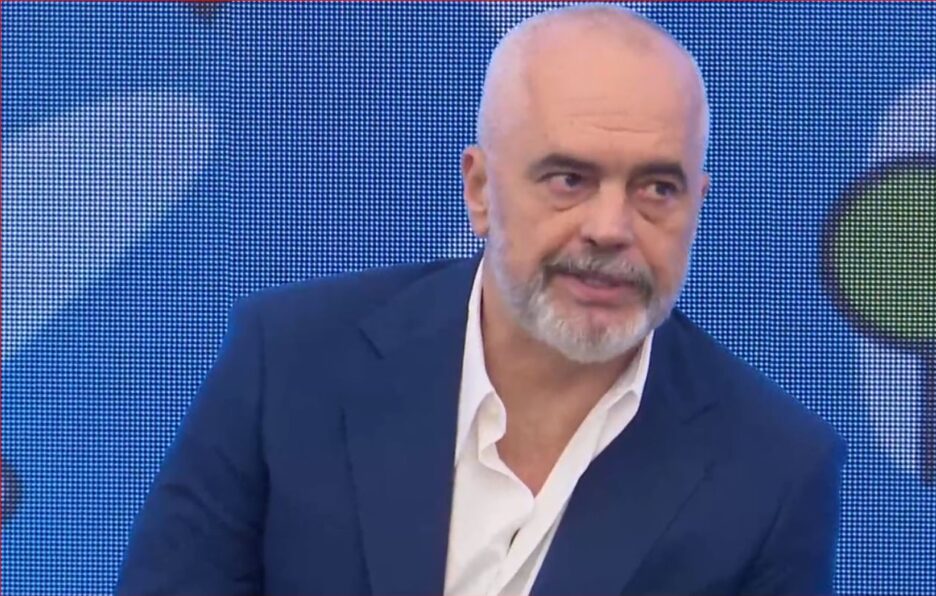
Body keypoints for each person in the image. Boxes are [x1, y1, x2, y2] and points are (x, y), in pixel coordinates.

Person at [117, 4, 845, 595]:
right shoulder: (292, 362)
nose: (611, 228)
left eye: (657, 189)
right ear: (480, 190)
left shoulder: (773, 473)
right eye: (569, 180)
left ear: (697, 203)